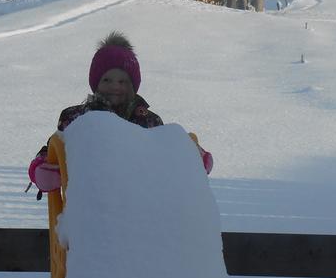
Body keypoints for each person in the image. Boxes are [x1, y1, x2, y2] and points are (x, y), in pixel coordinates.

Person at [27, 31, 212, 197]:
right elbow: (53, 148)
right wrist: (42, 168)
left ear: (133, 85)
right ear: (96, 83)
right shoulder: (77, 118)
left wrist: (193, 156)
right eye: (107, 80)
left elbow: (168, 149)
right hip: (91, 204)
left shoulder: (147, 120)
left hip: (141, 205)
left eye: (123, 81)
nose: (115, 87)